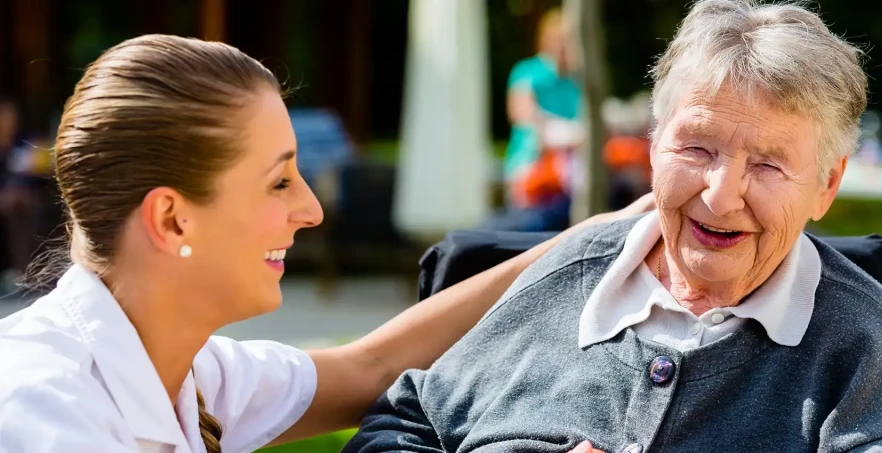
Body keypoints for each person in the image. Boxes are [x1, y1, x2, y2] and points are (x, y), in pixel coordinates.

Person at [0, 34, 654, 453]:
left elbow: (369, 367)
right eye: (279, 181)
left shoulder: (183, 369)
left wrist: (596, 238)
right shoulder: (43, 410)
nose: (310, 208)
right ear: (172, 220)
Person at [344, 1, 882, 452]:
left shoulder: (860, 340)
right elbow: (404, 421)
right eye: (697, 147)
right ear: (653, 145)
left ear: (827, 185)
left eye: (767, 164)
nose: (720, 193)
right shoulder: (569, 272)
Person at [485, 7, 582, 232]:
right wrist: (565, 131)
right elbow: (521, 114)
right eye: (561, 40)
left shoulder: (577, 81)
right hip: (530, 164)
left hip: (567, 172)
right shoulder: (527, 72)